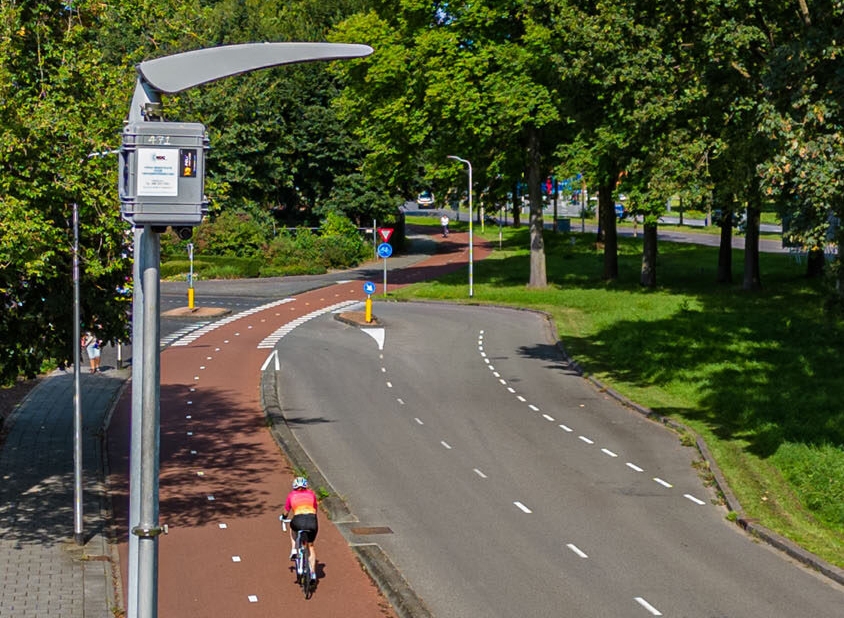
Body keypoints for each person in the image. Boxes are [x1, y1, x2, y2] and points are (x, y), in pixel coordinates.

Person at [282, 476, 319, 584]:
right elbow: (315, 508)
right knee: (310, 546)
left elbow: (286, 511)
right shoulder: (311, 494)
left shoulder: (291, 495)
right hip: (312, 521)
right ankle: (312, 573)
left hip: (298, 519)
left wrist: (283, 518)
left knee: (293, 528)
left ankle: (294, 550)